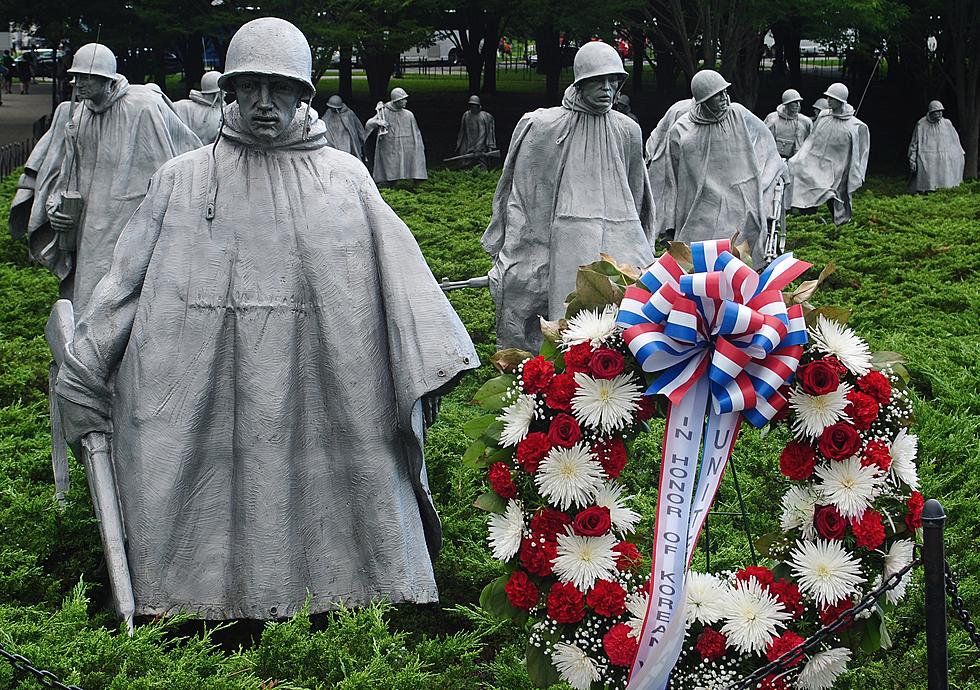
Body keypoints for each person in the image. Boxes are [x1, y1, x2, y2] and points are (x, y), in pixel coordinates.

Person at [55, 17, 478, 622]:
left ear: (304, 94)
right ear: (229, 90)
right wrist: (86, 367)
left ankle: (353, 592)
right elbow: (123, 285)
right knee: (208, 491)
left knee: (338, 484)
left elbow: (405, 285)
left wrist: (425, 361)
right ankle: (199, 604)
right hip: (204, 382)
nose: (262, 103)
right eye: (248, 87)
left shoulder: (345, 179)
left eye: (279, 88)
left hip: (328, 383)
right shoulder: (183, 179)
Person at [483, 41, 655, 353]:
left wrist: (642, 242)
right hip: (567, 237)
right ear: (581, 82)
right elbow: (526, 196)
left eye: (613, 81)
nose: (607, 89)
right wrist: (521, 250)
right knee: (565, 320)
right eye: (597, 81)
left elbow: (637, 194)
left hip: (621, 235)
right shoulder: (545, 125)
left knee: (629, 313)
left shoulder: (627, 130)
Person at [36, 43, 201, 314]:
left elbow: (169, 169)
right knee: (88, 299)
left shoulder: (143, 107)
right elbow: (69, 173)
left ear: (107, 80)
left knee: (133, 300)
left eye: (86, 77)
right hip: (91, 226)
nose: (79, 84)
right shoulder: (80, 117)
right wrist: (56, 206)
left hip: (133, 222)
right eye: (76, 77)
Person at [664, 70, 784, 264]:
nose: (723, 97)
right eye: (716, 95)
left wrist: (771, 173)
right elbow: (675, 177)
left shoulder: (738, 114)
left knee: (742, 252)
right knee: (697, 255)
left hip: (742, 198)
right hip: (702, 204)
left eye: (724, 92)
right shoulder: (682, 130)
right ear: (703, 100)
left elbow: (765, 143)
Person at [788, 82, 869, 225]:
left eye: (832, 98)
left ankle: (840, 223)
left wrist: (857, 174)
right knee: (801, 175)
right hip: (816, 162)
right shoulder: (824, 116)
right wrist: (799, 158)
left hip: (837, 169)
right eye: (828, 97)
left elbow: (861, 154)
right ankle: (807, 218)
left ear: (841, 100)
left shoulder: (856, 127)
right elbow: (811, 141)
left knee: (834, 194)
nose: (828, 101)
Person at [644, 97, 694, 239]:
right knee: (658, 198)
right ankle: (657, 232)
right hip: (661, 156)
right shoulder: (682, 110)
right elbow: (660, 135)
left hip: (677, 155)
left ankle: (670, 230)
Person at [364, 87, 427, 185]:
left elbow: (416, 133)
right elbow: (368, 124)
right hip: (389, 145)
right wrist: (378, 122)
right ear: (397, 101)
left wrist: (417, 146)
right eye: (403, 99)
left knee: (409, 161)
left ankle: (414, 180)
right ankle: (389, 182)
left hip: (406, 144)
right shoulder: (384, 111)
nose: (406, 101)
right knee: (390, 165)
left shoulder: (409, 115)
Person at [907, 100, 964, 193]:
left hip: (944, 159)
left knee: (945, 181)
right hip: (927, 159)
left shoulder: (947, 123)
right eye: (936, 112)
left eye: (940, 111)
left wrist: (959, 154)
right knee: (929, 184)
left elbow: (954, 141)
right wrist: (912, 159)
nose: (939, 114)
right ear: (931, 112)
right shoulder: (921, 124)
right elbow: (914, 143)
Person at [174, 71, 224, 144]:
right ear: (216, 93)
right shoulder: (184, 107)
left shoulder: (222, 111)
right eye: (223, 91)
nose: (225, 93)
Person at [764, 89, 813, 159]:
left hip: (795, 160)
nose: (798, 105)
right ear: (787, 103)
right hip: (773, 158)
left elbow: (810, 144)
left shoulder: (805, 122)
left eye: (799, 102)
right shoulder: (772, 119)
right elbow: (763, 140)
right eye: (795, 102)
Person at [452, 95, 497, 170]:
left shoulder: (482, 117)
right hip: (468, 142)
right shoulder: (466, 115)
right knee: (464, 159)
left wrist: (478, 147)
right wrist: (460, 144)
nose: (473, 107)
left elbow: (482, 133)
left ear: (478, 106)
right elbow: (462, 131)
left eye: (474, 105)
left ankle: (484, 173)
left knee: (481, 160)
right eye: (471, 105)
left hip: (479, 144)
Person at [321, 94, 367, 161]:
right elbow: (324, 122)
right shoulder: (328, 113)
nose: (331, 109)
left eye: (333, 108)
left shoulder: (348, 114)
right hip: (333, 142)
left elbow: (358, 127)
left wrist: (364, 140)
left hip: (347, 143)